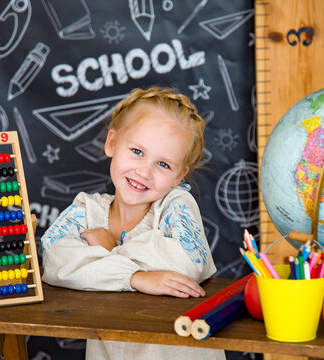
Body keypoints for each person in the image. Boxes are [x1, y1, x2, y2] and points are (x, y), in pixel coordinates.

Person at [41, 87, 223, 359]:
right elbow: (54, 261)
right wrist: (136, 278)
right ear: (112, 143)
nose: (144, 171)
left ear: (179, 176)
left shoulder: (175, 205)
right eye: (137, 151)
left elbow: (191, 263)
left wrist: (110, 250)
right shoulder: (86, 210)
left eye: (163, 164)